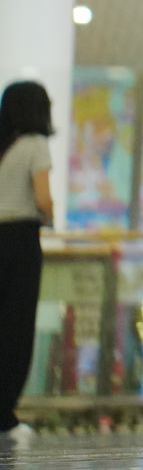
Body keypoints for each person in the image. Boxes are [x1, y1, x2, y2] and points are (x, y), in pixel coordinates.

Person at [0, 82, 55, 447]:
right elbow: (43, 199)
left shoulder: (4, 145)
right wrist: (49, 218)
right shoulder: (35, 145)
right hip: (19, 240)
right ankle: (5, 414)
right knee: (16, 327)